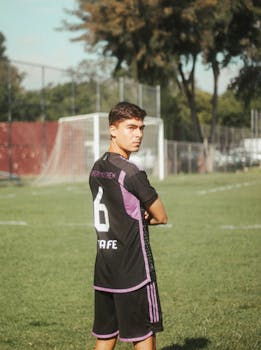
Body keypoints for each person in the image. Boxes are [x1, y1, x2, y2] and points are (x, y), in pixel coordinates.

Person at [89, 101, 168, 350]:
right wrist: (146, 216)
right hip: (134, 271)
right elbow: (161, 216)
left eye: (141, 128)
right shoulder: (131, 172)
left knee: (106, 335)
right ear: (113, 130)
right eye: (131, 127)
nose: (138, 134)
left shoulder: (97, 168)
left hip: (105, 267)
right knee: (144, 335)